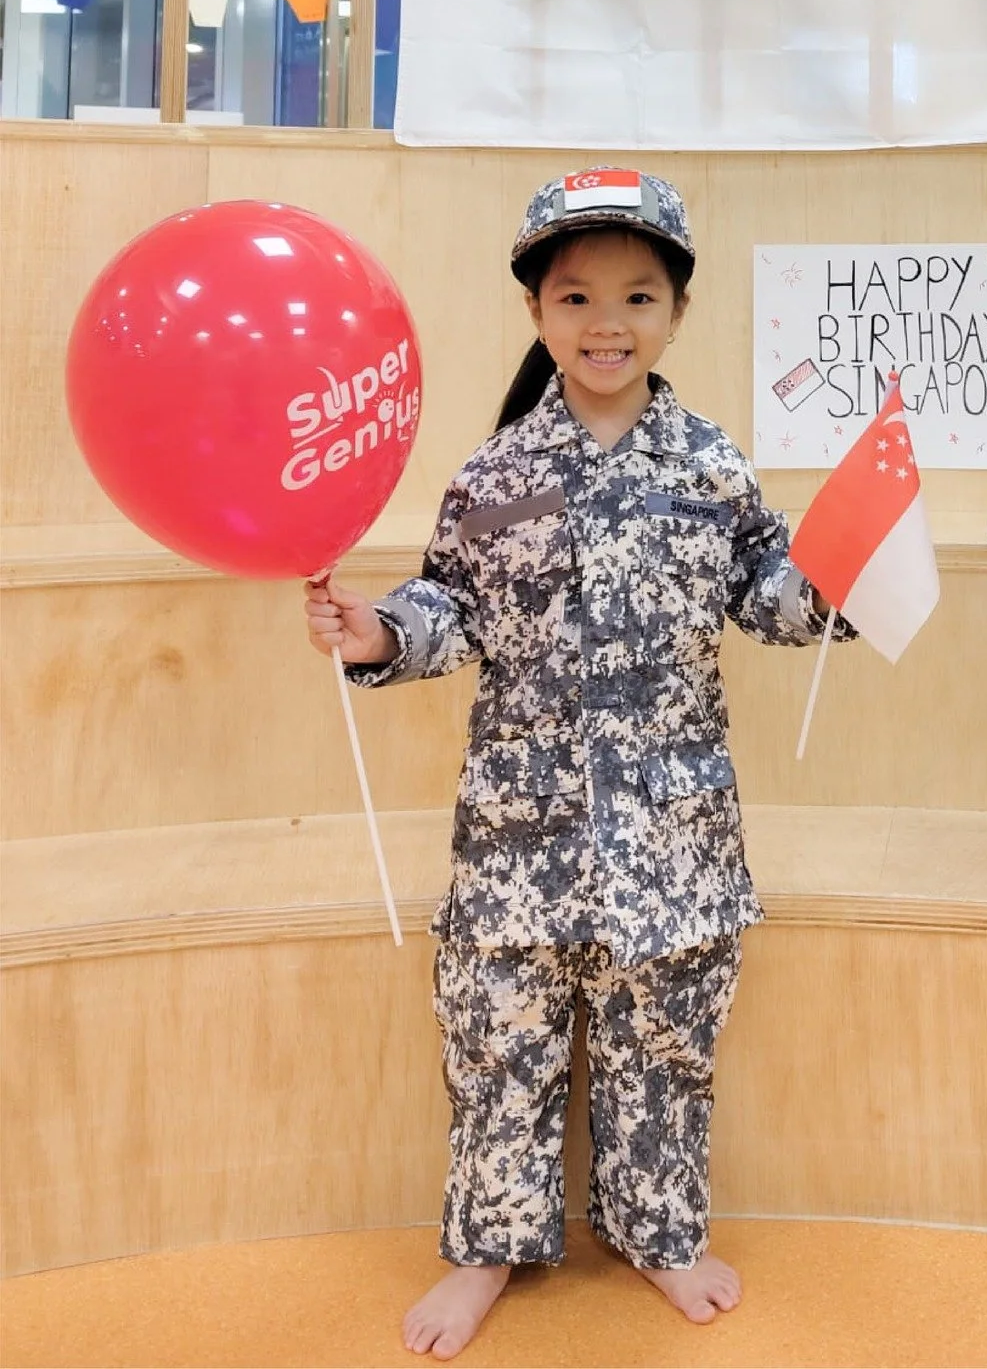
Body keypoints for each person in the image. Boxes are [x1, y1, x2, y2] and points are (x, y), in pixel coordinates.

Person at [304, 168, 850, 1361]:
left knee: (665, 1041)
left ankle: (657, 1229)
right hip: (519, 841)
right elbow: (451, 603)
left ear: (677, 312)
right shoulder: (495, 475)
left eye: (639, 295)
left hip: (673, 835)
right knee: (499, 1041)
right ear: (539, 312)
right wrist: (380, 634)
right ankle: (488, 1246)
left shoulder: (710, 463)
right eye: (577, 294)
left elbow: (767, 589)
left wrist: (835, 589)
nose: (609, 320)